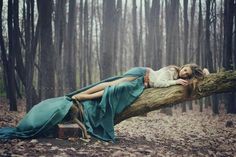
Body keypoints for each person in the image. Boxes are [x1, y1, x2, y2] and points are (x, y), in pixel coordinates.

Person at [0, 63, 209, 142]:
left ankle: (83, 96)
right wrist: (176, 80)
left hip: (141, 80)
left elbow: (163, 84)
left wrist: (199, 77)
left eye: (187, 74)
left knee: (110, 86)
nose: (184, 73)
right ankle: (82, 96)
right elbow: (158, 81)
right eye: (185, 70)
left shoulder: (176, 79)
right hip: (141, 75)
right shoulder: (171, 72)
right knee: (112, 85)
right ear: (183, 67)